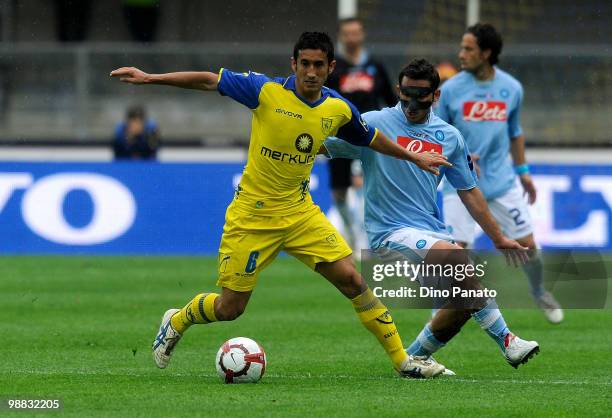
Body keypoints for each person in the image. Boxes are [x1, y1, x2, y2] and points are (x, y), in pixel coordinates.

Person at [110, 32, 451, 378]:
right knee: (230, 308)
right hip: (253, 216)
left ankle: (402, 361)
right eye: (305, 64)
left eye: (319, 65)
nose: (311, 72)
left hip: (300, 213)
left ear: (331, 67)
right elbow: (209, 81)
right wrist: (151, 78)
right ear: (294, 64)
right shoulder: (266, 91)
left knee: (353, 281)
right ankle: (177, 319)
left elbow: (369, 138)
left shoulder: (338, 108)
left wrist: (413, 157)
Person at [323, 59, 539, 373]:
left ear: (435, 96)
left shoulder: (449, 136)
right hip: (388, 233)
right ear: (397, 89)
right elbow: (323, 147)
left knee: (465, 301)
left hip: (430, 231)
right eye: (406, 94)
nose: (411, 103)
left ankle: (411, 359)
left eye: (420, 96)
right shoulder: (372, 123)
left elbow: (469, 191)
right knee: (458, 260)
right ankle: (508, 341)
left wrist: (499, 237)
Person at [435, 23, 563, 323]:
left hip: (502, 183)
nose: (461, 54)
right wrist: (461, 154)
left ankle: (538, 291)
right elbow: (437, 134)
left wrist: (524, 172)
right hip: (460, 185)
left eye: (468, 48)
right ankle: (442, 316)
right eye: (461, 47)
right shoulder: (451, 89)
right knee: (455, 256)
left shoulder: (511, 88)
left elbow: (515, 132)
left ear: (486, 53)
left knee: (528, 247)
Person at [325, 17, 396, 249]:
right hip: (339, 137)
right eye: (347, 33)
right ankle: (351, 233)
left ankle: (367, 242)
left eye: (356, 33)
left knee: (368, 189)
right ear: (341, 36)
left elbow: (391, 100)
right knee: (339, 193)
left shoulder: (375, 65)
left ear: (362, 35)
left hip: (370, 138)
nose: (352, 38)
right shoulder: (334, 68)